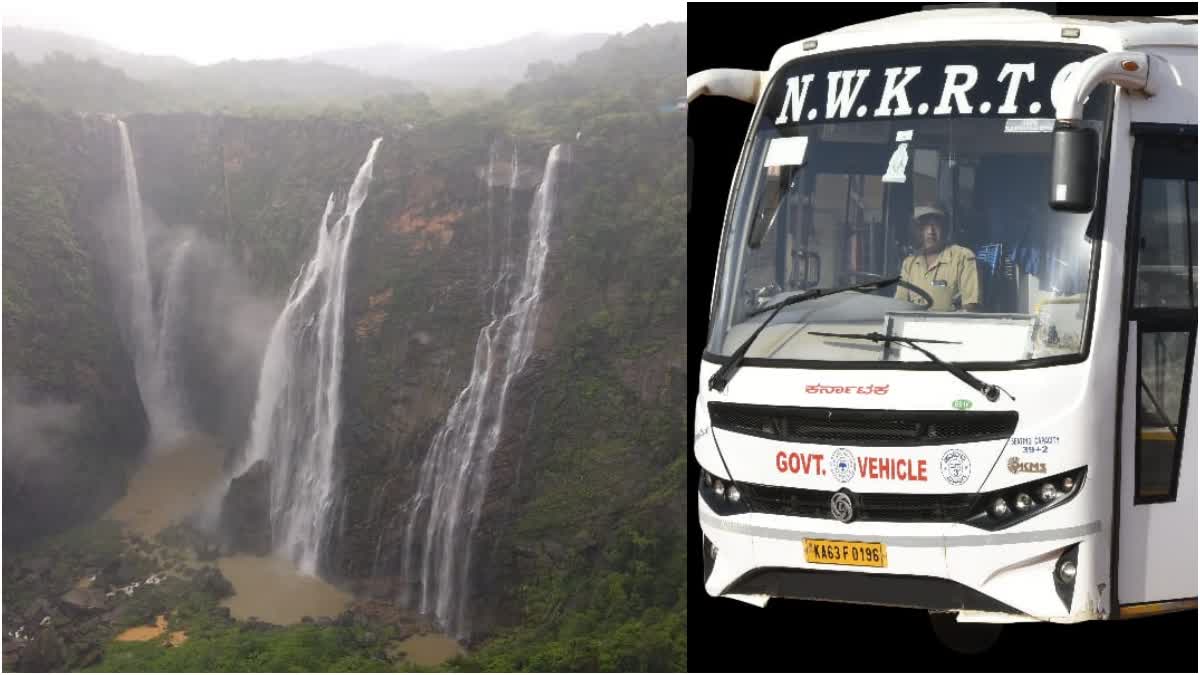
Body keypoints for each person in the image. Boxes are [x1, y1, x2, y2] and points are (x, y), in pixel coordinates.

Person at [895, 204, 980, 311]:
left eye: (936, 225)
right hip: (915, 321)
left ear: (945, 228)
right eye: (925, 225)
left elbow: (971, 306)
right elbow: (900, 304)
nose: (930, 231)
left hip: (949, 321)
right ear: (919, 230)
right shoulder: (909, 263)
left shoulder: (963, 257)